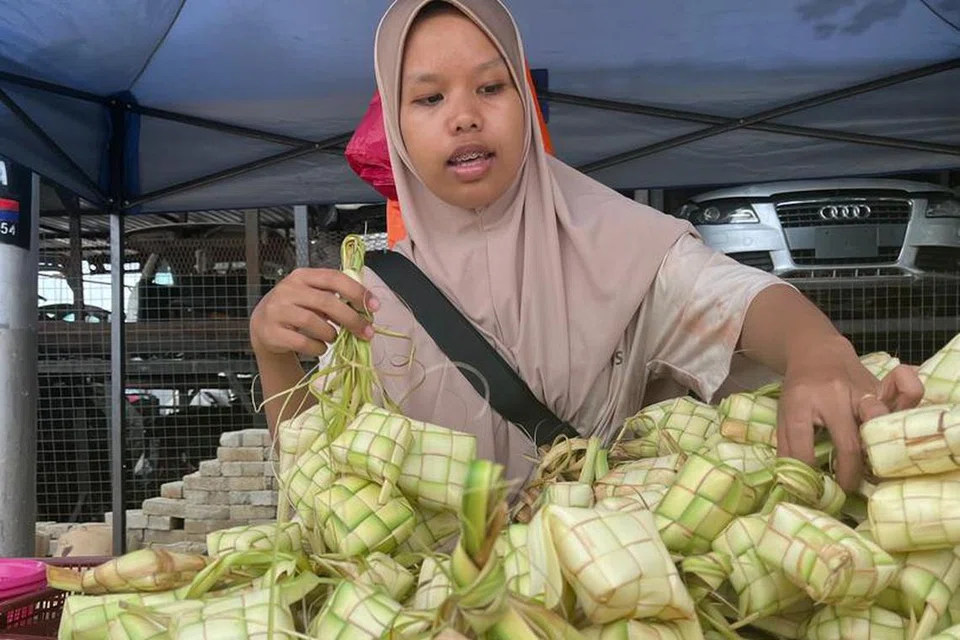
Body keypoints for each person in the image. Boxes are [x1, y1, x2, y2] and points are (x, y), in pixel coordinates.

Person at [249, 0, 924, 494]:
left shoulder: (618, 241)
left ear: (525, 99)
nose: (464, 115)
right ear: (395, 130)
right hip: (435, 612)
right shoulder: (371, 293)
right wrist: (273, 353)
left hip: (597, 600)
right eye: (428, 98)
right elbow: (321, 478)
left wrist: (817, 352)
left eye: (491, 86)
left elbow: (742, 299)